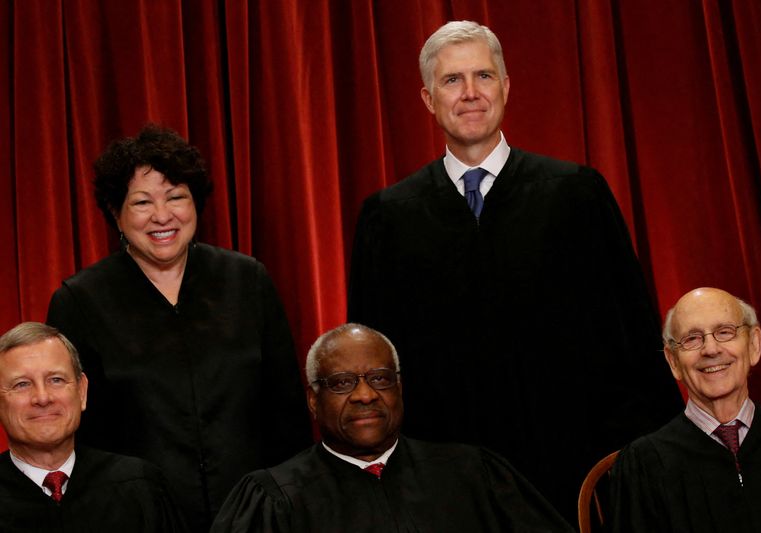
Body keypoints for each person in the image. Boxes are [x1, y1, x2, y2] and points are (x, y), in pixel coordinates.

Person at [347, 20, 681, 524]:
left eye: (483, 75)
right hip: (448, 485)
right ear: (427, 98)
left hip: (574, 469)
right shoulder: (389, 217)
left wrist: (644, 458)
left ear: (506, 86)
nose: (470, 93)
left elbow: (631, 333)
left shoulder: (576, 194)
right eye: (452, 80)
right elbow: (376, 365)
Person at [46, 124, 310, 531]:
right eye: (142, 202)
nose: (163, 216)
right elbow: (76, 432)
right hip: (133, 518)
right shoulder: (79, 301)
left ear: (196, 205)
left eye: (176, 197)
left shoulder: (247, 280)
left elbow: (287, 410)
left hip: (255, 514)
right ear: (115, 213)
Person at [211, 323, 574, 532]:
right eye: (341, 383)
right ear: (313, 400)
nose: (365, 395)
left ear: (399, 389)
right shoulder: (275, 499)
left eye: (380, 379)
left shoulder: (473, 475)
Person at [610, 287, 761, 532]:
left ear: (754, 344)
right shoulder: (645, 464)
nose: (711, 349)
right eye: (692, 339)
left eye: (725, 332)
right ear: (673, 361)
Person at [0, 322, 187, 532]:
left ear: (81, 391)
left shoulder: (140, 486)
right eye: (22, 384)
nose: (43, 398)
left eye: (56, 380)